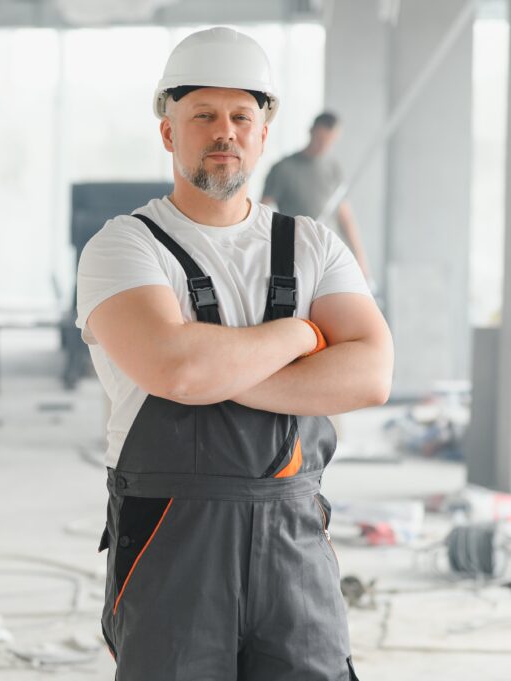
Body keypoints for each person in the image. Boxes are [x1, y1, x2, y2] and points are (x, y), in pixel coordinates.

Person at [74, 27, 393, 680]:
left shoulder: (313, 245)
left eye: (241, 116)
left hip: (293, 540)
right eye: (203, 116)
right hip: (172, 541)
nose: (225, 131)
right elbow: (178, 368)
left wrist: (222, 369)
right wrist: (303, 337)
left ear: (263, 133)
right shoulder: (125, 247)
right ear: (169, 132)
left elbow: (372, 373)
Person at [262, 112, 372, 279]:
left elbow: (345, 216)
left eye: (330, 140)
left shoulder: (334, 168)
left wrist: (361, 260)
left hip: (327, 252)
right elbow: (263, 210)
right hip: (294, 254)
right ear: (311, 131)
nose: (324, 145)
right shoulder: (283, 168)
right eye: (320, 139)